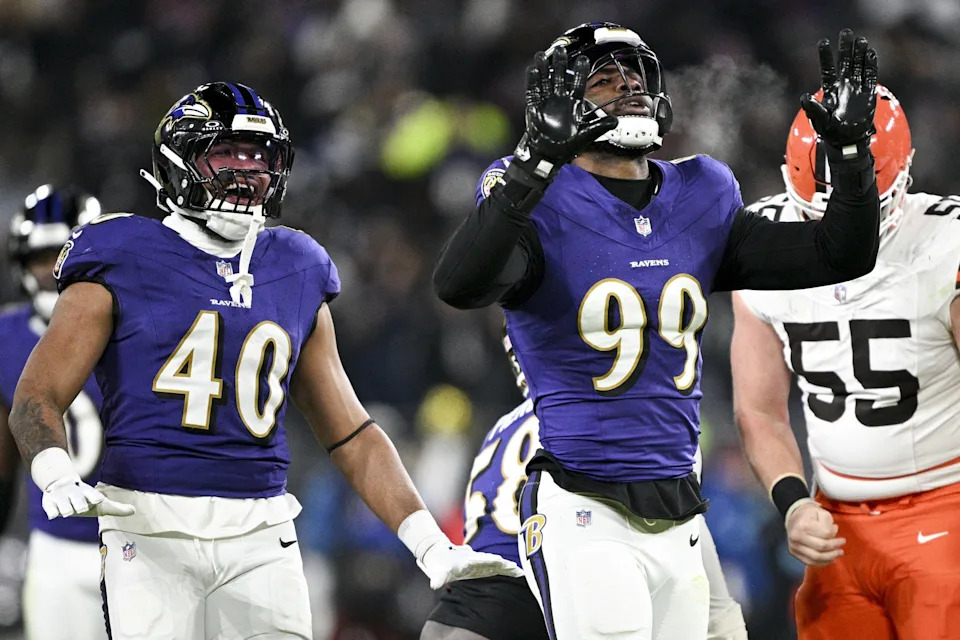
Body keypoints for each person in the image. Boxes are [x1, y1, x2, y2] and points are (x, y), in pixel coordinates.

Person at [6, 81, 521, 640]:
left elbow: (350, 432)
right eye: (227, 154)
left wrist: (428, 543)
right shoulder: (121, 253)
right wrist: (53, 471)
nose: (246, 172)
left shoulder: (295, 264)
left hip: (261, 529)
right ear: (181, 161)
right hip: (148, 526)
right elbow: (37, 394)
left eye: (259, 158)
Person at [432, 20, 881, 639]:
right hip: (584, 503)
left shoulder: (703, 191)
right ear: (560, 103)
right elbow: (459, 285)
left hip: (680, 509)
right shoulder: (535, 194)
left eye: (636, 75)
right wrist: (535, 163)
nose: (630, 88)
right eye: (606, 80)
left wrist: (854, 159)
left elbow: (842, 255)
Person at [731, 84, 960, 639]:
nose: (841, 231)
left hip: (945, 508)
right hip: (833, 517)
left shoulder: (945, 241)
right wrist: (790, 502)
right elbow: (759, 409)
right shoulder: (759, 239)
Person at [421, 330, 748, 640]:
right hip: (532, 597)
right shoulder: (591, 420)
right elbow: (677, 526)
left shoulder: (502, 426)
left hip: (453, 614)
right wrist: (721, 615)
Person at [0, 185, 105, 640]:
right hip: (56, 548)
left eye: (64, 254)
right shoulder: (5, 336)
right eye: (41, 258)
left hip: (141, 541)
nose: (53, 272)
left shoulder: (141, 327)